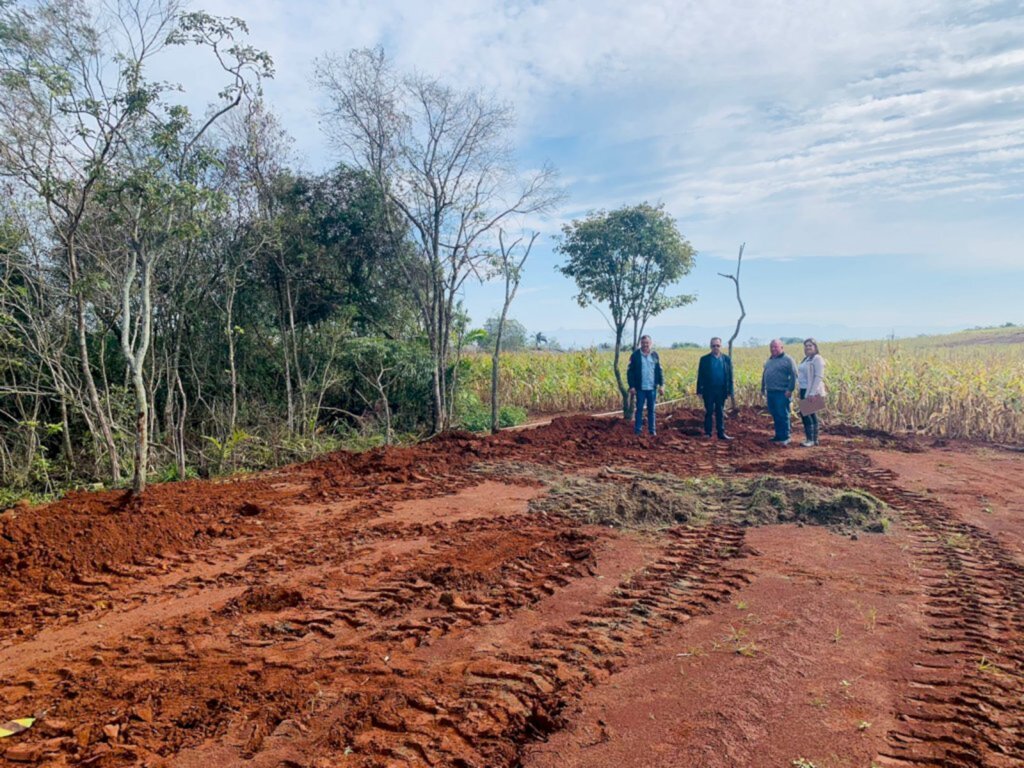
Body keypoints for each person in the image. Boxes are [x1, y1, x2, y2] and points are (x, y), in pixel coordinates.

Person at [760, 338, 798, 445]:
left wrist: (790, 389)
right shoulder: (770, 360)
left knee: (783, 414)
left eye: (775, 347)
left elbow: (794, 376)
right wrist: (763, 388)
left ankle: (786, 437)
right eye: (771, 347)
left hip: (782, 392)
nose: (773, 349)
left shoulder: (788, 360)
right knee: (775, 414)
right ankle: (778, 436)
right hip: (771, 392)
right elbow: (765, 374)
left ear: (782, 347)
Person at [696, 337, 733, 440]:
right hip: (709, 390)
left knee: (720, 411)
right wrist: (699, 390)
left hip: (721, 389)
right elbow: (700, 376)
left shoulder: (726, 359)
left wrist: (730, 390)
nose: (715, 347)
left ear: (721, 346)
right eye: (713, 346)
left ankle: (721, 433)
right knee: (709, 411)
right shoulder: (704, 359)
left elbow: (730, 376)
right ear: (710, 346)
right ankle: (708, 433)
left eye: (718, 345)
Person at [627, 334, 664, 436]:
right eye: (643, 343)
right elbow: (630, 372)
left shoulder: (655, 355)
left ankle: (652, 431)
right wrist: (632, 386)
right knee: (639, 409)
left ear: (650, 344)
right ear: (640, 344)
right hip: (640, 388)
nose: (645, 345)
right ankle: (638, 430)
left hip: (652, 388)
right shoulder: (635, 356)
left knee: (651, 410)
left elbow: (659, 371)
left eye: (647, 343)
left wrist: (662, 385)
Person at [798, 338, 827, 447]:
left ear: (815, 347)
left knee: (806, 414)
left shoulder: (817, 359)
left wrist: (812, 392)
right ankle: (813, 439)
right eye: (806, 346)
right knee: (810, 413)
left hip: (812, 390)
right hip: (804, 389)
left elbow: (818, 376)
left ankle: (811, 439)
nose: (808, 347)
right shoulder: (806, 359)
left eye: (810, 345)